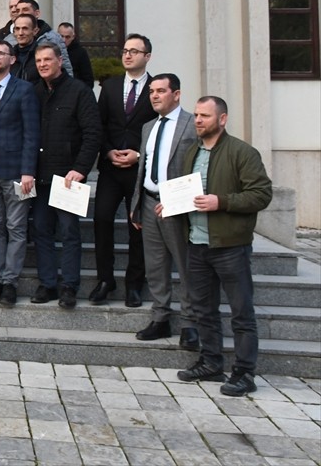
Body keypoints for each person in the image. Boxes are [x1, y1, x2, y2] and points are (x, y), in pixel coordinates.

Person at [175, 96, 272, 397]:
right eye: (196, 115)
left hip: (230, 245)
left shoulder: (242, 152)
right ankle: (211, 362)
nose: (199, 120)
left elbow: (261, 194)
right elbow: (187, 190)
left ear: (223, 119)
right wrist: (171, 205)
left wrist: (222, 201)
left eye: (205, 115)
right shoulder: (192, 151)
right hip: (197, 243)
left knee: (241, 312)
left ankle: (244, 373)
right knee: (204, 310)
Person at [131, 74, 200, 350]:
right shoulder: (148, 127)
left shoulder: (191, 125)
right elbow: (144, 169)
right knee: (155, 266)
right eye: (151, 91)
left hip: (178, 206)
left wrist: (176, 199)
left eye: (161, 91)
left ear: (177, 94)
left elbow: (199, 167)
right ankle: (160, 318)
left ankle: (190, 323)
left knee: (185, 266)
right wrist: (136, 205)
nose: (155, 96)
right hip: (149, 203)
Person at [31, 42, 102, 309]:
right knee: (40, 230)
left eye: (47, 60)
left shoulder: (79, 92)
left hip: (68, 178)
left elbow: (93, 134)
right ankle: (48, 283)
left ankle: (69, 286)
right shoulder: (34, 92)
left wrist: (81, 168)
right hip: (39, 176)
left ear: (60, 61)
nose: (42, 65)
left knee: (69, 232)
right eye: (39, 61)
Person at [91, 34, 156, 307]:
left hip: (140, 170)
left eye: (134, 51)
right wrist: (107, 151)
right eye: (125, 50)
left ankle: (134, 284)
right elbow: (99, 125)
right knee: (102, 219)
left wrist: (138, 154)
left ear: (147, 56)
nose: (128, 55)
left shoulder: (157, 87)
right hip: (111, 167)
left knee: (137, 226)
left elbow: (160, 128)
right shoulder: (111, 86)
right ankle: (105, 279)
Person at [0, 42, 39, 306]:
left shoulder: (24, 89)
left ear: (12, 59)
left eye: (0, 53)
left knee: (15, 226)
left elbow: (31, 133)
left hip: (16, 172)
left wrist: (28, 171)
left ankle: (10, 282)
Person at [58, 22, 95, 89]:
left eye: (67, 37)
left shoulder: (80, 53)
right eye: (61, 36)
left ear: (73, 37)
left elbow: (88, 79)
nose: (63, 40)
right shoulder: (52, 51)